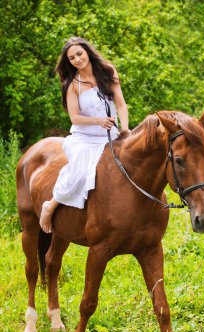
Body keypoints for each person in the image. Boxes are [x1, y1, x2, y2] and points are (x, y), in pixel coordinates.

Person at [39, 37, 129, 233]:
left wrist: (125, 129)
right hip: (84, 138)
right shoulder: (72, 85)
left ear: (87, 52)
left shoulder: (108, 71)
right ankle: (51, 205)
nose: (77, 59)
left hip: (110, 135)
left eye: (79, 54)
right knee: (81, 170)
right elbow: (75, 118)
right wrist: (97, 121)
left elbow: (120, 104)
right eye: (71, 58)